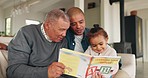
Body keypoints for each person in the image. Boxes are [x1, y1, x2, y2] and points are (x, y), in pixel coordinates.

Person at [6, 9, 70, 78]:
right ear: (48, 25)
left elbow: (64, 71)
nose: (64, 34)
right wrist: (46, 72)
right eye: (61, 29)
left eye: (66, 30)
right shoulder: (26, 33)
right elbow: (13, 71)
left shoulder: (63, 40)